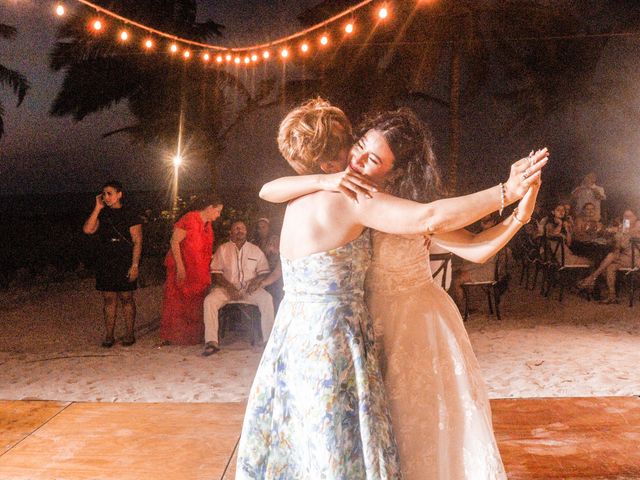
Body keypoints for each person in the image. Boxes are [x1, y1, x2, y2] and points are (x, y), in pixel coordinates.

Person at [237, 98, 547, 478]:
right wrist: (505, 191)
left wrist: (519, 214)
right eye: (359, 146)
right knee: (335, 435)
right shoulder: (347, 196)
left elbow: (460, 236)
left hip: (388, 325)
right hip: (343, 331)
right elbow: (269, 188)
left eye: (371, 159)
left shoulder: (368, 202)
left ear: (397, 173)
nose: (356, 160)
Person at [83, 180, 142, 348]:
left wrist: (135, 265)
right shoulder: (102, 213)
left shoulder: (130, 213)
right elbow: (88, 230)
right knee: (108, 298)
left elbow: (137, 241)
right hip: (106, 259)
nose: (106, 197)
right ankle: (109, 335)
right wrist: (97, 208)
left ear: (119, 194)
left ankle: (129, 333)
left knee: (126, 297)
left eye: (110, 193)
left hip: (124, 258)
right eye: (104, 194)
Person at [202, 221, 275, 356]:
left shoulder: (255, 250)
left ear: (246, 232)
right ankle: (211, 342)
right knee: (209, 301)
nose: (239, 230)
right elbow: (216, 273)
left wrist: (255, 282)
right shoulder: (223, 249)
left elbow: (264, 272)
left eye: (242, 228)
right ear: (231, 232)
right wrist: (230, 288)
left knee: (267, 298)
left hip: (249, 289)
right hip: (227, 289)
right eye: (236, 228)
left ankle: (269, 340)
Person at [160, 195, 223, 345]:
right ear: (209, 208)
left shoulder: (208, 225)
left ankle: (193, 337)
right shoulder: (190, 218)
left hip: (199, 269)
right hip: (184, 267)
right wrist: (180, 266)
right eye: (217, 211)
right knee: (177, 302)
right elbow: (174, 241)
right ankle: (173, 337)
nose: (218, 215)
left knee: (195, 303)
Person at [578, 208, 640, 303]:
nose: (626, 219)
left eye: (629, 216)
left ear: (635, 217)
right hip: (625, 257)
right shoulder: (624, 227)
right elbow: (619, 246)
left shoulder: (638, 225)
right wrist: (617, 235)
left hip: (636, 258)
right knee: (610, 266)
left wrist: (620, 232)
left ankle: (591, 278)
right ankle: (612, 296)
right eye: (625, 217)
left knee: (611, 256)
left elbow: (630, 236)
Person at [451, 213, 500, 308]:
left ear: (494, 222)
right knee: (451, 276)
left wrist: (462, 267)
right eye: (482, 221)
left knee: (456, 280)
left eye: (486, 221)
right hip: (477, 266)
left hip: (486, 270)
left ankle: (458, 309)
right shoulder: (480, 234)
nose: (483, 224)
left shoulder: (494, 237)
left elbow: (484, 259)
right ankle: (460, 305)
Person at [252, 217, 283, 311]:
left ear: (269, 228)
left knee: (274, 299)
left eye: (264, 227)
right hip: (261, 274)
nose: (261, 230)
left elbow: (278, 256)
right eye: (259, 228)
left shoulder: (274, 239)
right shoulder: (255, 242)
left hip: (274, 274)